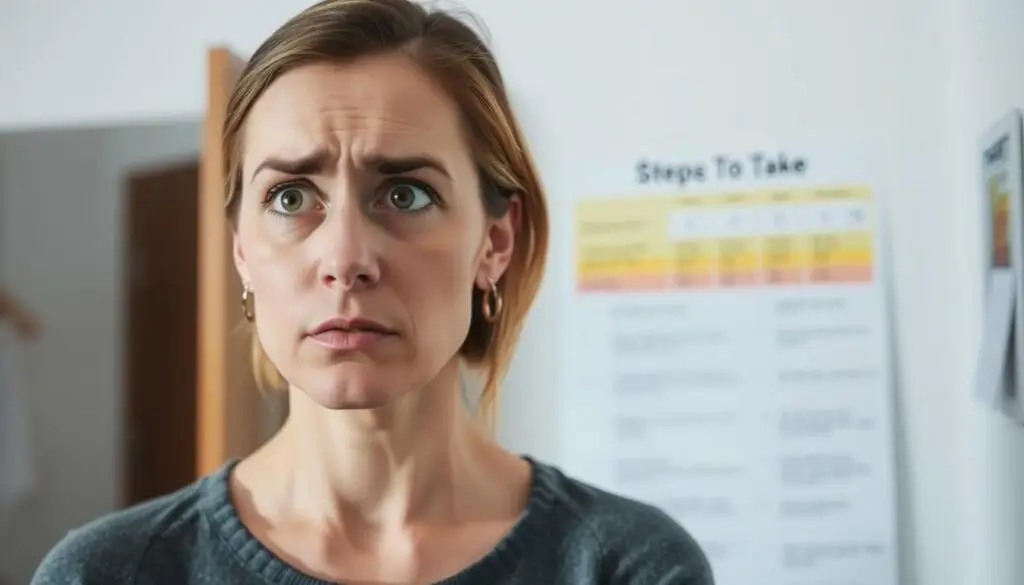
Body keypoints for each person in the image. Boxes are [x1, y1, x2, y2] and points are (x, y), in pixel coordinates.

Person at [31, 0, 714, 583]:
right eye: (290, 196)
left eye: (406, 193)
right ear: (241, 250)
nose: (345, 258)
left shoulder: (628, 565)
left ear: (495, 243)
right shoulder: (109, 572)